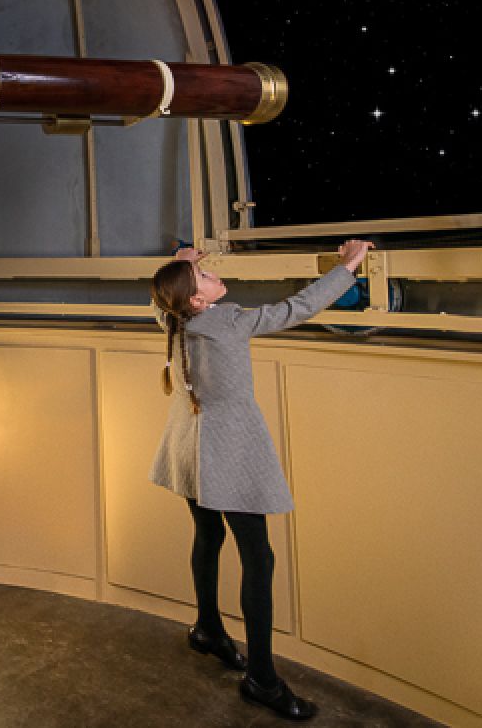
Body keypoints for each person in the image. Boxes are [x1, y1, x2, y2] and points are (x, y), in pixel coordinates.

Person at [149, 239, 373, 721]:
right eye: (205, 276)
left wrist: (183, 264)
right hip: (229, 453)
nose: (214, 274)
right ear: (198, 299)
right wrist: (347, 266)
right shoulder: (227, 320)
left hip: (189, 445)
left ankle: (208, 630)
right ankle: (262, 679)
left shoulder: (173, 318)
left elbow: (160, 300)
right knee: (259, 558)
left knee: (208, 535)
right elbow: (298, 308)